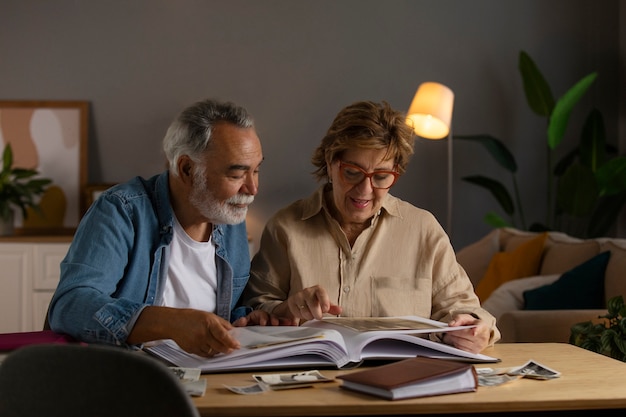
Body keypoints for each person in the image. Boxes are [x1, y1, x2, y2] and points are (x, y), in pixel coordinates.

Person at [242, 100, 500, 353]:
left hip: (401, 381)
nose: (365, 190)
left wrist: (473, 329)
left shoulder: (423, 229)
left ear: (395, 172)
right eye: (352, 172)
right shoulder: (286, 227)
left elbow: (463, 307)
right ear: (331, 163)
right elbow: (253, 310)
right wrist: (284, 309)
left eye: (381, 177)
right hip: (311, 381)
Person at [48, 99, 276, 357]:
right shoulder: (122, 210)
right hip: (131, 375)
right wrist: (169, 323)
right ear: (187, 169)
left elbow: (224, 314)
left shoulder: (229, 219)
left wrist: (251, 319)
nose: (252, 189)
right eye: (236, 175)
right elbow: (70, 305)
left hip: (207, 377)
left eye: (256, 171)